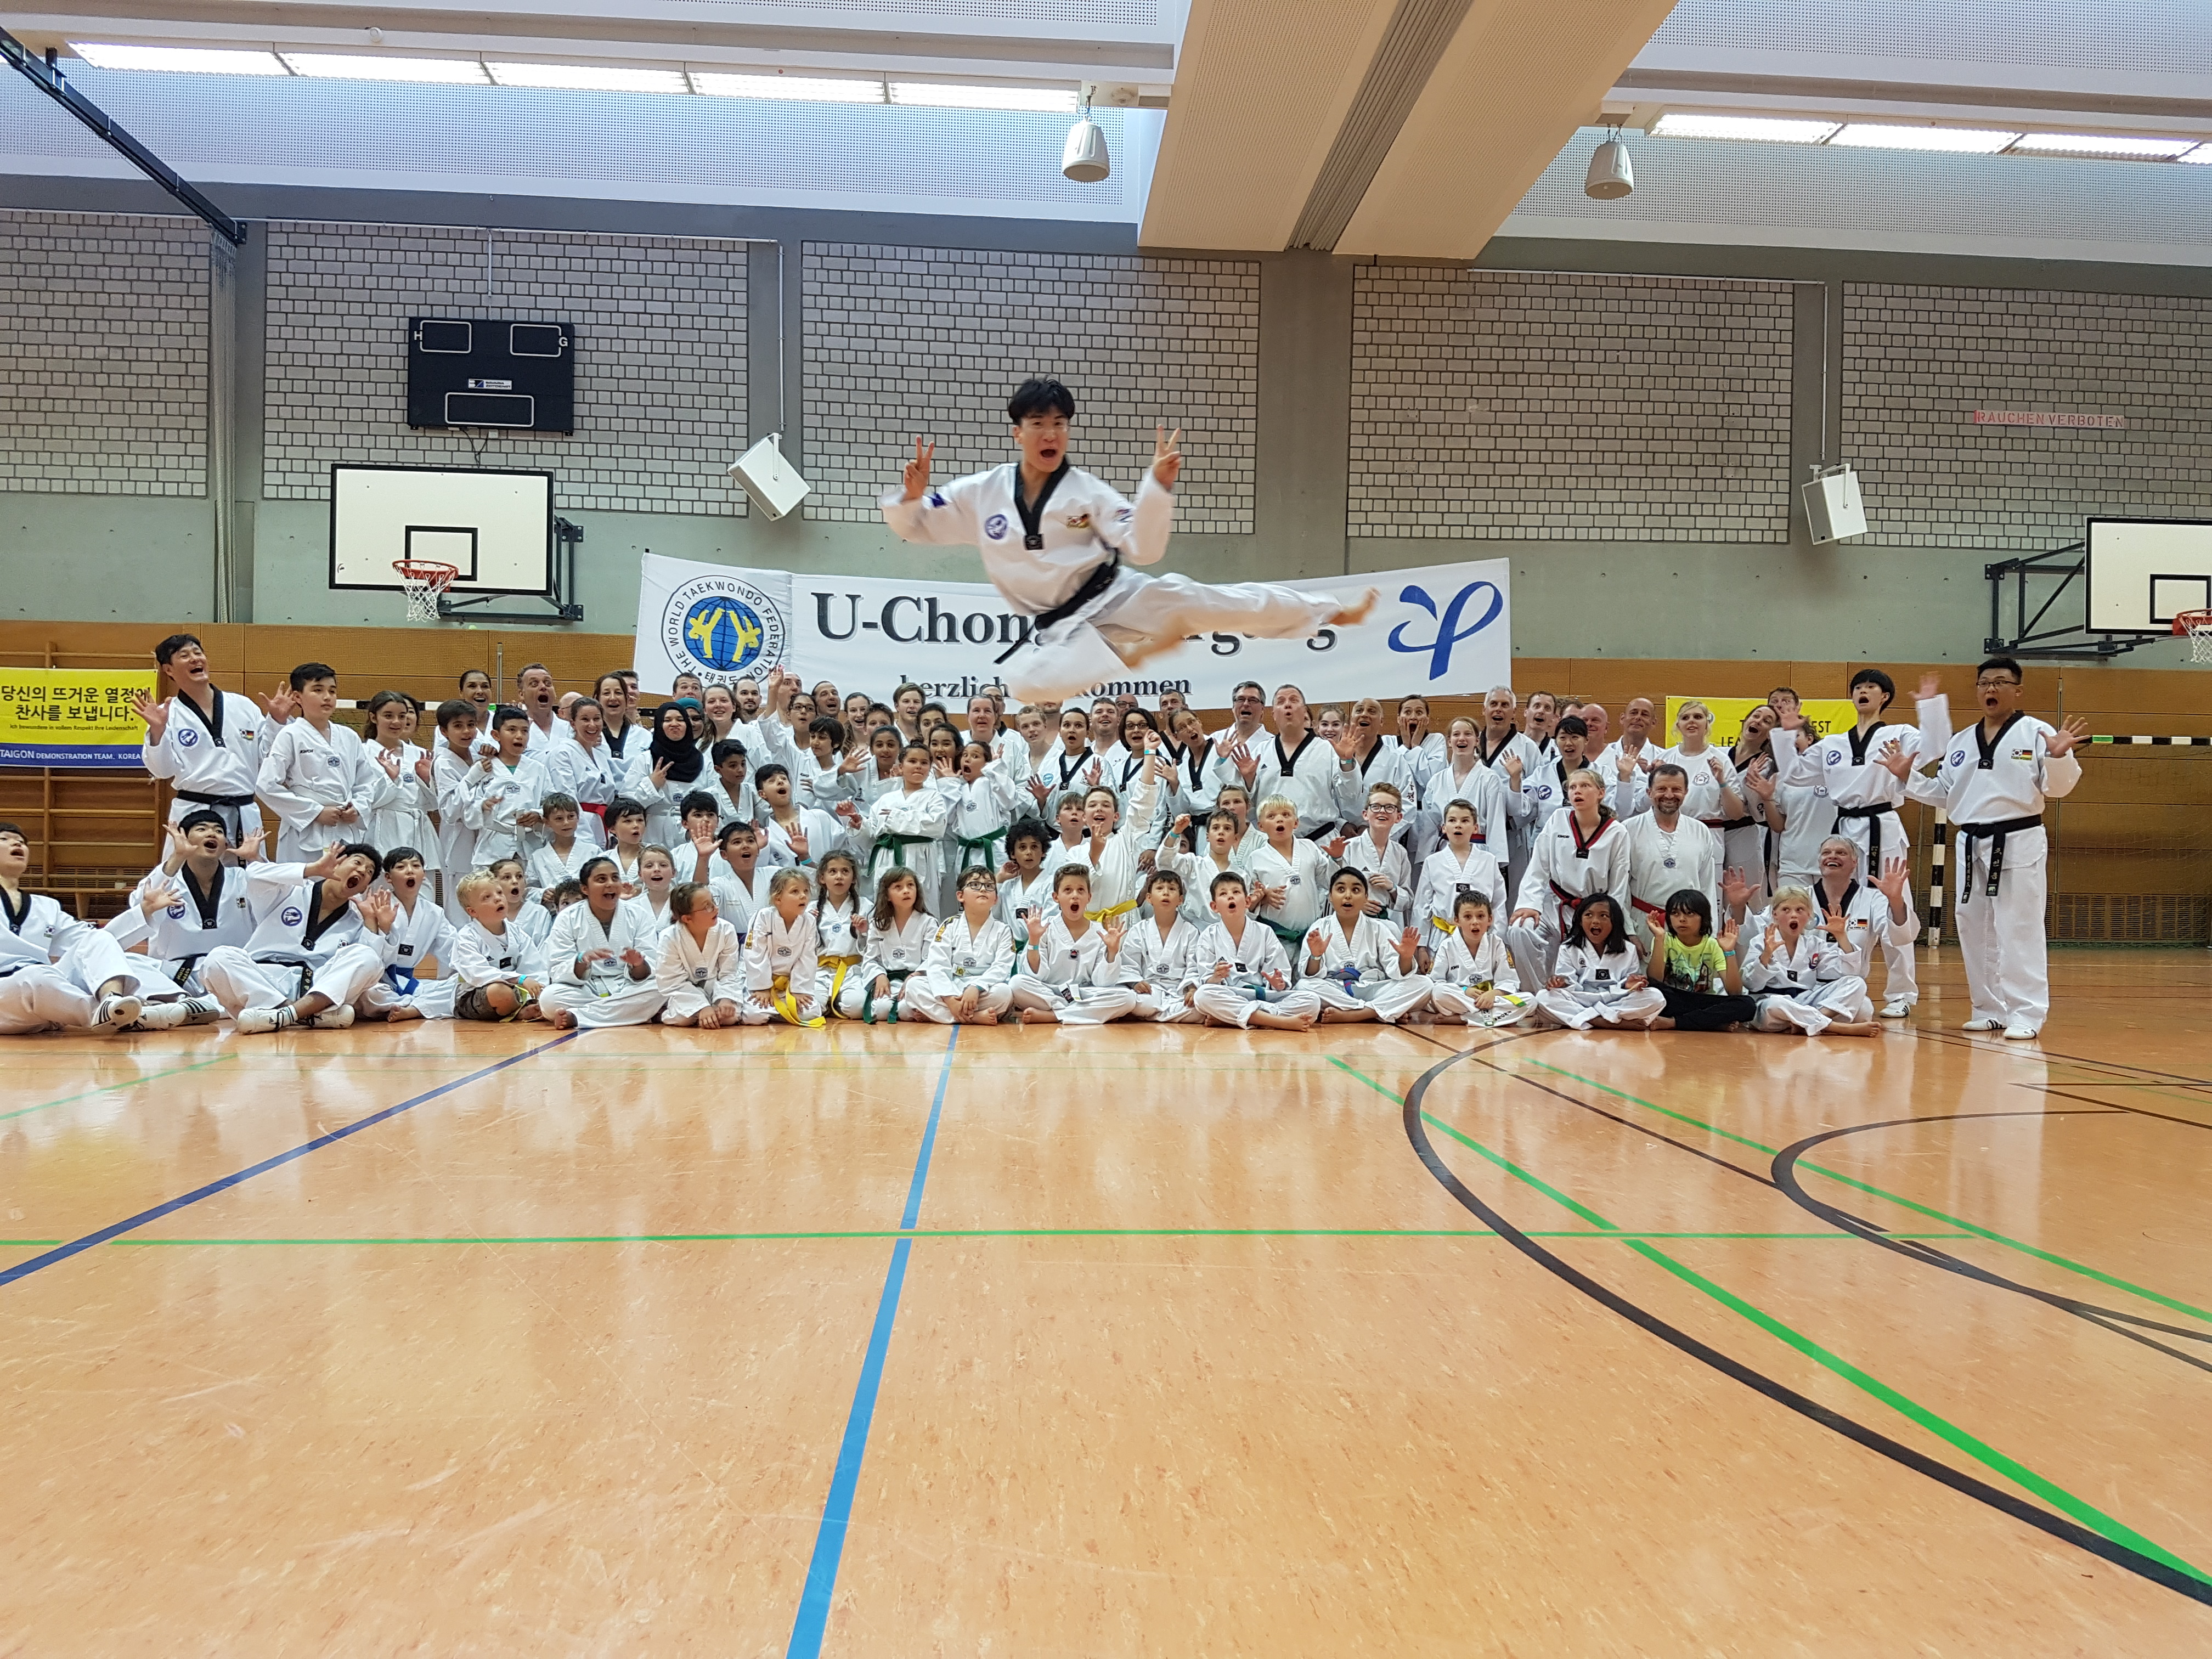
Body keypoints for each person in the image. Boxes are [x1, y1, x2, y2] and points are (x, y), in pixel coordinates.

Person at [883, 376, 1373, 702]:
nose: (1050, 434)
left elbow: (1144, 547)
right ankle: (1135, 654)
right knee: (1021, 685)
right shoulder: (981, 492)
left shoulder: (1086, 492)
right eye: (1038, 425)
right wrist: (912, 497)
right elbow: (918, 525)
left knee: (1215, 603)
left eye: (1059, 424)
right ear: (1018, 433)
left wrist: (1157, 486)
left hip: (1116, 595)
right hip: (1064, 627)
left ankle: (1329, 611)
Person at [1884, 657, 2084, 1039]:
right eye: (1984, 683)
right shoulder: (1961, 742)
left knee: (2019, 928)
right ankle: (1989, 1008)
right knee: (1973, 926)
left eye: (2000, 682)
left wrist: (2059, 757)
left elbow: (2056, 788)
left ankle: (2026, 1013)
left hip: (2018, 838)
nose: (1991, 689)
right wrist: (1907, 776)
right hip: (1970, 841)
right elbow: (1945, 794)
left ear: (2017, 690)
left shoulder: (2037, 732)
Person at [1769, 668, 1948, 1019]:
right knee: (1839, 907)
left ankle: (1901, 993)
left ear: (1885, 697)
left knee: (1894, 904)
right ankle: (1832, 980)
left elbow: (1936, 747)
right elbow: (1794, 774)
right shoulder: (1833, 744)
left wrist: (1929, 707)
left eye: (1871, 687)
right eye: (1858, 687)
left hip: (1883, 826)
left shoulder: (1899, 734)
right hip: (1844, 829)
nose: (1863, 692)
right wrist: (1786, 733)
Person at [201, 840, 395, 1034]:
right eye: (357, 862)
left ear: (363, 889)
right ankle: (300, 1015)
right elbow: (254, 874)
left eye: (369, 872)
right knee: (218, 958)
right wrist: (312, 869)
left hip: (313, 988)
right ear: (336, 863)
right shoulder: (288, 891)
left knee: (366, 956)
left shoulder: (355, 921)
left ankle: (282, 1015)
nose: (362, 871)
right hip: (262, 981)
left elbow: (371, 969)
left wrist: (371, 919)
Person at [0, 820, 167, 1035]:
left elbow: (98, 942)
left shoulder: (47, 906)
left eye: (21, 842)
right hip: (9, 998)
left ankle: (112, 1001)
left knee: (98, 940)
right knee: (35, 977)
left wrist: (144, 911)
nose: (17, 844)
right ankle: (121, 1015)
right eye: (4, 839)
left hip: (48, 992)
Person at [104, 811, 258, 1022]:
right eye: (202, 829)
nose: (212, 833)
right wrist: (177, 857)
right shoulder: (168, 880)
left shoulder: (242, 878)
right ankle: (189, 1003)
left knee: (279, 970)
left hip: (231, 973)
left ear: (225, 845)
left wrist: (256, 861)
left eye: (219, 831)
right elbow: (139, 904)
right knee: (127, 963)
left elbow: (275, 900)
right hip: (176, 976)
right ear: (184, 838)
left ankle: (177, 1007)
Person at [134, 632, 291, 839]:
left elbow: (268, 758)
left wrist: (278, 721)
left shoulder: (243, 706)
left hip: (243, 813)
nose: (195, 659)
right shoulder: (166, 714)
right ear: (168, 669)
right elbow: (162, 771)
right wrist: (157, 731)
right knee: (193, 862)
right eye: (184, 656)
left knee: (248, 863)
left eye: (198, 653)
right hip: (194, 814)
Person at [1507, 767, 1633, 995]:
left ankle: (1576, 996)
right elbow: (1538, 867)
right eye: (1572, 787)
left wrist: (1609, 919)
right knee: (1519, 930)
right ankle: (1537, 993)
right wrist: (1529, 904)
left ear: (1601, 793)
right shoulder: (1558, 819)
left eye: (1585, 786)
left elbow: (1619, 885)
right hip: (1555, 903)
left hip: (1594, 911)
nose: (1577, 791)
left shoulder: (1617, 832)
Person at [253, 663, 376, 864]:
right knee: (304, 882)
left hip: (343, 828)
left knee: (343, 881)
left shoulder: (349, 737)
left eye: (332, 691)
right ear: (298, 697)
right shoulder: (290, 735)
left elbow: (366, 782)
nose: (327, 697)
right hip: (305, 830)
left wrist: (358, 808)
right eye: (318, 690)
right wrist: (315, 812)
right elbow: (266, 785)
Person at [542, 856, 667, 1029]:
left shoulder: (639, 915)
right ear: (585, 889)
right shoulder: (567, 918)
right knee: (549, 999)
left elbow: (649, 969)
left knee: (661, 989)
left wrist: (638, 964)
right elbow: (558, 969)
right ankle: (637, 1013)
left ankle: (579, 1017)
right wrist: (582, 960)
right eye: (601, 880)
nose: (610, 884)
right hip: (588, 988)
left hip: (628, 986)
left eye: (615, 878)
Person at [1186, 871, 1321, 1031]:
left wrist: (1278, 983)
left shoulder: (1265, 932)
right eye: (1223, 894)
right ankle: (1278, 1021)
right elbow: (1207, 981)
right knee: (1203, 995)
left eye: (1236, 892)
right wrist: (1215, 977)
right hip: (1231, 994)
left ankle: (1235, 1019)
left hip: (1264, 996)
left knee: (1312, 1000)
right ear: (1215, 907)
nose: (1231, 897)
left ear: (1248, 901)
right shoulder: (1208, 936)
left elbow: (1281, 977)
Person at [1741, 885, 1880, 1038]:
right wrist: (1766, 956)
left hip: (1805, 1001)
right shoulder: (1761, 942)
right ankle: (1833, 1026)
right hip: (1771, 1002)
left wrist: (1842, 937)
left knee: (1858, 986)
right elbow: (1751, 984)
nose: (1793, 915)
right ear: (1775, 915)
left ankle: (1809, 1022)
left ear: (1809, 915)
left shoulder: (1814, 944)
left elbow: (1848, 972)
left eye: (1800, 910)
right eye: (1786, 910)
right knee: (1776, 1006)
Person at [1009, 866, 1140, 1025]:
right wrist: (1034, 940)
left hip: (1085, 993)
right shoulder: (1045, 928)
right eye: (1068, 890)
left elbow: (1103, 983)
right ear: (1056, 897)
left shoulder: (1100, 933)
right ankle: (1079, 1013)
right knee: (1017, 983)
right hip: (1052, 992)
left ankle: (1056, 1015)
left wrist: (1112, 951)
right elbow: (1037, 975)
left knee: (1128, 998)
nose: (1075, 896)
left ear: (1089, 897)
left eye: (1081, 890)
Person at [1299, 868, 1431, 1025]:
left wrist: (1406, 957)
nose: (1348, 895)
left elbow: (1397, 972)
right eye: (1341, 890)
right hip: (1336, 990)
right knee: (1304, 986)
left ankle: (1356, 1014)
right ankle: (1378, 1012)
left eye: (1356, 890)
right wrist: (1316, 956)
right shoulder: (1319, 927)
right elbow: (1310, 975)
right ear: (1330, 897)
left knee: (1424, 984)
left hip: (1372, 990)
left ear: (1366, 897)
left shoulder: (1378, 928)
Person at [1530, 894, 1664, 1031]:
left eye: (1603, 916)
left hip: (1615, 1000)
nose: (1595, 921)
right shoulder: (1568, 948)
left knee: (1656, 997)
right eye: (1589, 915)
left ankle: (1587, 1019)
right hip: (1581, 999)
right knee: (1544, 997)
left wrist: (1628, 985)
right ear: (1580, 921)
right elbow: (1567, 981)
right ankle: (1606, 1022)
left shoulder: (1629, 949)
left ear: (1615, 921)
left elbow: (1631, 984)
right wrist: (1561, 983)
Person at [904, 867, 1017, 1025]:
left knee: (1004, 994)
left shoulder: (1003, 930)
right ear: (960, 896)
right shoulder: (949, 926)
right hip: (952, 986)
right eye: (975, 885)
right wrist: (950, 1000)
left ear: (996, 899)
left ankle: (940, 1015)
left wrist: (977, 987)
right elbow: (938, 965)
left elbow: (1002, 967)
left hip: (983, 989)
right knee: (914, 986)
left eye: (989, 886)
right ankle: (974, 1017)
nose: (983, 889)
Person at [1619, 764, 1723, 934]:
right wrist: (1628, 932)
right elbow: (1621, 887)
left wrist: (1708, 933)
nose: (1669, 795)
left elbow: (1707, 887)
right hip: (1643, 922)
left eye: (1676, 789)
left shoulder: (1700, 831)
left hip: (1690, 925)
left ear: (1686, 792)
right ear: (1649, 792)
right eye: (1662, 789)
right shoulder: (1628, 829)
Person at [356, 845, 455, 1022]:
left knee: (456, 987)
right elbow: (366, 956)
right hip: (378, 981)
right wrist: (384, 927)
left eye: (416, 866)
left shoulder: (434, 913)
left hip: (410, 984)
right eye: (401, 867)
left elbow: (453, 951)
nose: (410, 871)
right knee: (369, 994)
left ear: (423, 874)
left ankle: (410, 1008)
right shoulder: (377, 905)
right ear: (388, 878)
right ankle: (417, 1006)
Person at [1409, 798, 1506, 967]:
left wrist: (1498, 940)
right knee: (1440, 979)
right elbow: (1422, 905)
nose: (1458, 825)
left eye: (1465, 821)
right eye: (1452, 821)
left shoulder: (1489, 861)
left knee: (1480, 980)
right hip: (1441, 937)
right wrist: (1421, 947)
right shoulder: (1433, 862)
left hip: (1480, 938)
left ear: (1476, 828)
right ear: (1444, 827)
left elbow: (1498, 904)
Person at [1640, 889, 1753, 1033]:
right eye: (1675, 913)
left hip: (1701, 1001)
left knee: (1747, 1004)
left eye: (1690, 913)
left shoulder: (1712, 944)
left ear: (1703, 918)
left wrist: (1729, 952)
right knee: (1653, 992)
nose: (1682, 919)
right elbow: (1655, 980)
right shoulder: (1664, 939)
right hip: (1672, 999)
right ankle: (1710, 1023)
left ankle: (1675, 1022)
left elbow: (1735, 992)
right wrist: (1659, 938)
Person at [448, 870, 548, 1022]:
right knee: (499, 992)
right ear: (473, 911)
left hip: (515, 991)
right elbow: (478, 974)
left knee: (550, 994)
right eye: (487, 897)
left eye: (499, 893)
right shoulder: (466, 937)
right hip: (474, 995)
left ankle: (528, 1007)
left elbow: (534, 968)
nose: (497, 899)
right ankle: (519, 1012)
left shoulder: (517, 933)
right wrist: (519, 979)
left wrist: (539, 992)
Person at [363, 690, 439, 875]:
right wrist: (391, 779)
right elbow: (366, 801)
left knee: (422, 887)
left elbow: (434, 805)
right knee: (383, 883)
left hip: (419, 830)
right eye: (388, 716)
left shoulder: (420, 754)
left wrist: (427, 780)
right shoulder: (363, 752)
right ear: (374, 717)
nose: (397, 722)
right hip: (383, 828)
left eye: (402, 716)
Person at [841, 866, 933, 1022]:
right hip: (889, 981)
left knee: (905, 1010)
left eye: (911, 885)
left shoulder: (928, 923)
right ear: (888, 896)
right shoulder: (878, 924)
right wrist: (880, 976)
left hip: (917, 981)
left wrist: (916, 976)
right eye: (898, 887)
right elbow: (871, 959)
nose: (906, 891)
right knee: (880, 1010)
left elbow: (932, 960)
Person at [864, 743, 953, 900]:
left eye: (924, 763)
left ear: (930, 769)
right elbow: (872, 833)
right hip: (888, 857)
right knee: (887, 902)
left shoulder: (934, 797)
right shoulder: (886, 799)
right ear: (901, 766)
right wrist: (858, 826)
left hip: (920, 856)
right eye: (912, 761)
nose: (918, 766)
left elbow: (937, 826)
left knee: (921, 901)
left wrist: (897, 817)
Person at [1426, 892, 1529, 1027]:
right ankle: (1492, 1016)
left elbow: (1509, 981)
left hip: (1489, 1000)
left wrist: (1494, 993)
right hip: (1462, 998)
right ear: (1457, 921)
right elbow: (1436, 982)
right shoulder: (1447, 946)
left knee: (1529, 1001)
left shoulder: (1497, 943)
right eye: (1468, 917)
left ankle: (1464, 1019)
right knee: (1439, 993)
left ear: (1490, 919)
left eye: (1480, 916)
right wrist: (1464, 990)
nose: (1475, 922)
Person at [1114, 870, 1203, 1021]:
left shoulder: (1190, 932)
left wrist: (1192, 989)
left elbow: (1194, 967)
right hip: (1150, 991)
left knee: (1202, 1003)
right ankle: (1169, 1015)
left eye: (1172, 889)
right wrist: (1136, 983)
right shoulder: (1139, 930)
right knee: (1128, 999)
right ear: (1149, 898)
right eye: (1160, 888)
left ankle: (1151, 1015)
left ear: (1180, 900)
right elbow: (1129, 964)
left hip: (1180, 992)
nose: (1166, 893)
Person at [741, 868, 825, 1026]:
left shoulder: (809, 921)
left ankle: (777, 1011)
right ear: (778, 899)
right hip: (762, 983)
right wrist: (763, 988)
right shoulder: (763, 917)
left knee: (811, 1013)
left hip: (790, 984)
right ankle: (776, 1010)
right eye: (795, 891)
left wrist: (799, 990)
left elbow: (807, 957)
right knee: (754, 1016)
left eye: (806, 891)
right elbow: (755, 954)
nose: (803, 896)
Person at [430, 699, 487, 922]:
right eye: (458, 726)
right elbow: (450, 811)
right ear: (444, 731)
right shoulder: (443, 762)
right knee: (460, 905)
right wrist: (472, 777)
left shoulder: (479, 755)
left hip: (485, 838)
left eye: (471, 725)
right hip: (458, 841)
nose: (466, 731)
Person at [810, 850, 868, 1015]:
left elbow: (875, 947)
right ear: (822, 878)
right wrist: (807, 926)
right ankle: (827, 1001)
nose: (839, 877)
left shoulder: (866, 906)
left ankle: (834, 1001)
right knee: (809, 1011)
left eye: (845, 871)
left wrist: (865, 932)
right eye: (833, 872)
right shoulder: (811, 909)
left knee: (857, 1008)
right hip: (820, 972)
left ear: (854, 878)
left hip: (852, 971)